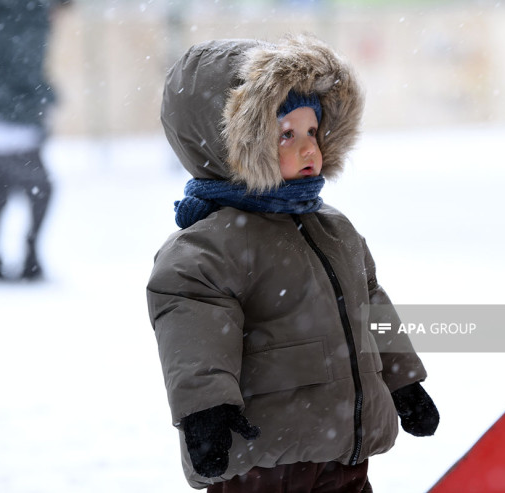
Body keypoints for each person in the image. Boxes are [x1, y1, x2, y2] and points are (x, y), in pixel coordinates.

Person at [146, 35, 439, 492]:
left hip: (344, 446)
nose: (308, 149)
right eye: (286, 135)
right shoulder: (210, 246)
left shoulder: (333, 228)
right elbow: (192, 330)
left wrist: (404, 382)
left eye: (313, 132)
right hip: (266, 457)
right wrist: (205, 412)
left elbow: (371, 306)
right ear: (233, 145)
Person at [0, 0, 71, 281]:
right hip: (10, 119)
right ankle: (30, 259)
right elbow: (24, 70)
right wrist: (47, 94)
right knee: (43, 189)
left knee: (0, 190)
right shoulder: (31, 23)